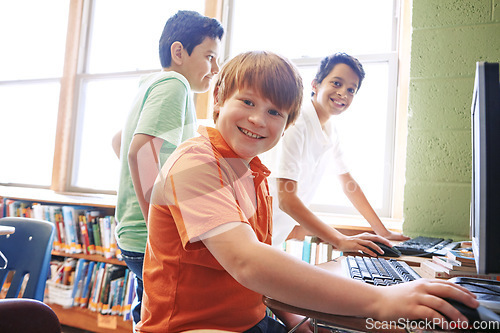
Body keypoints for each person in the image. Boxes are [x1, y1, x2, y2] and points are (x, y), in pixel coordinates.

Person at [136, 51, 478, 333]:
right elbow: (246, 262)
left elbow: (260, 270)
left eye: (274, 112)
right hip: (191, 327)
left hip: (252, 319)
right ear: (218, 102)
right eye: (247, 102)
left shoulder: (253, 173)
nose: (258, 119)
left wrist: (295, 318)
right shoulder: (195, 162)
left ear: (285, 125)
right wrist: (380, 300)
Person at [112, 10, 223, 327]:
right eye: (209, 56)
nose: (215, 69)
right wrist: (156, 223)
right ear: (179, 52)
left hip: (131, 235)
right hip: (147, 234)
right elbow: (141, 150)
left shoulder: (149, 83)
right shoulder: (175, 83)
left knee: (147, 314)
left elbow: (119, 142)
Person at [267, 52, 410, 254]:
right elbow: (286, 200)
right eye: (336, 83)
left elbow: (348, 184)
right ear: (315, 85)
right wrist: (341, 240)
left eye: (351, 89)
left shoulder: (330, 130)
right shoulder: (297, 123)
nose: (343, 93)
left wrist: (382, 232)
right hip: (254, 232)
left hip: (272, 238)